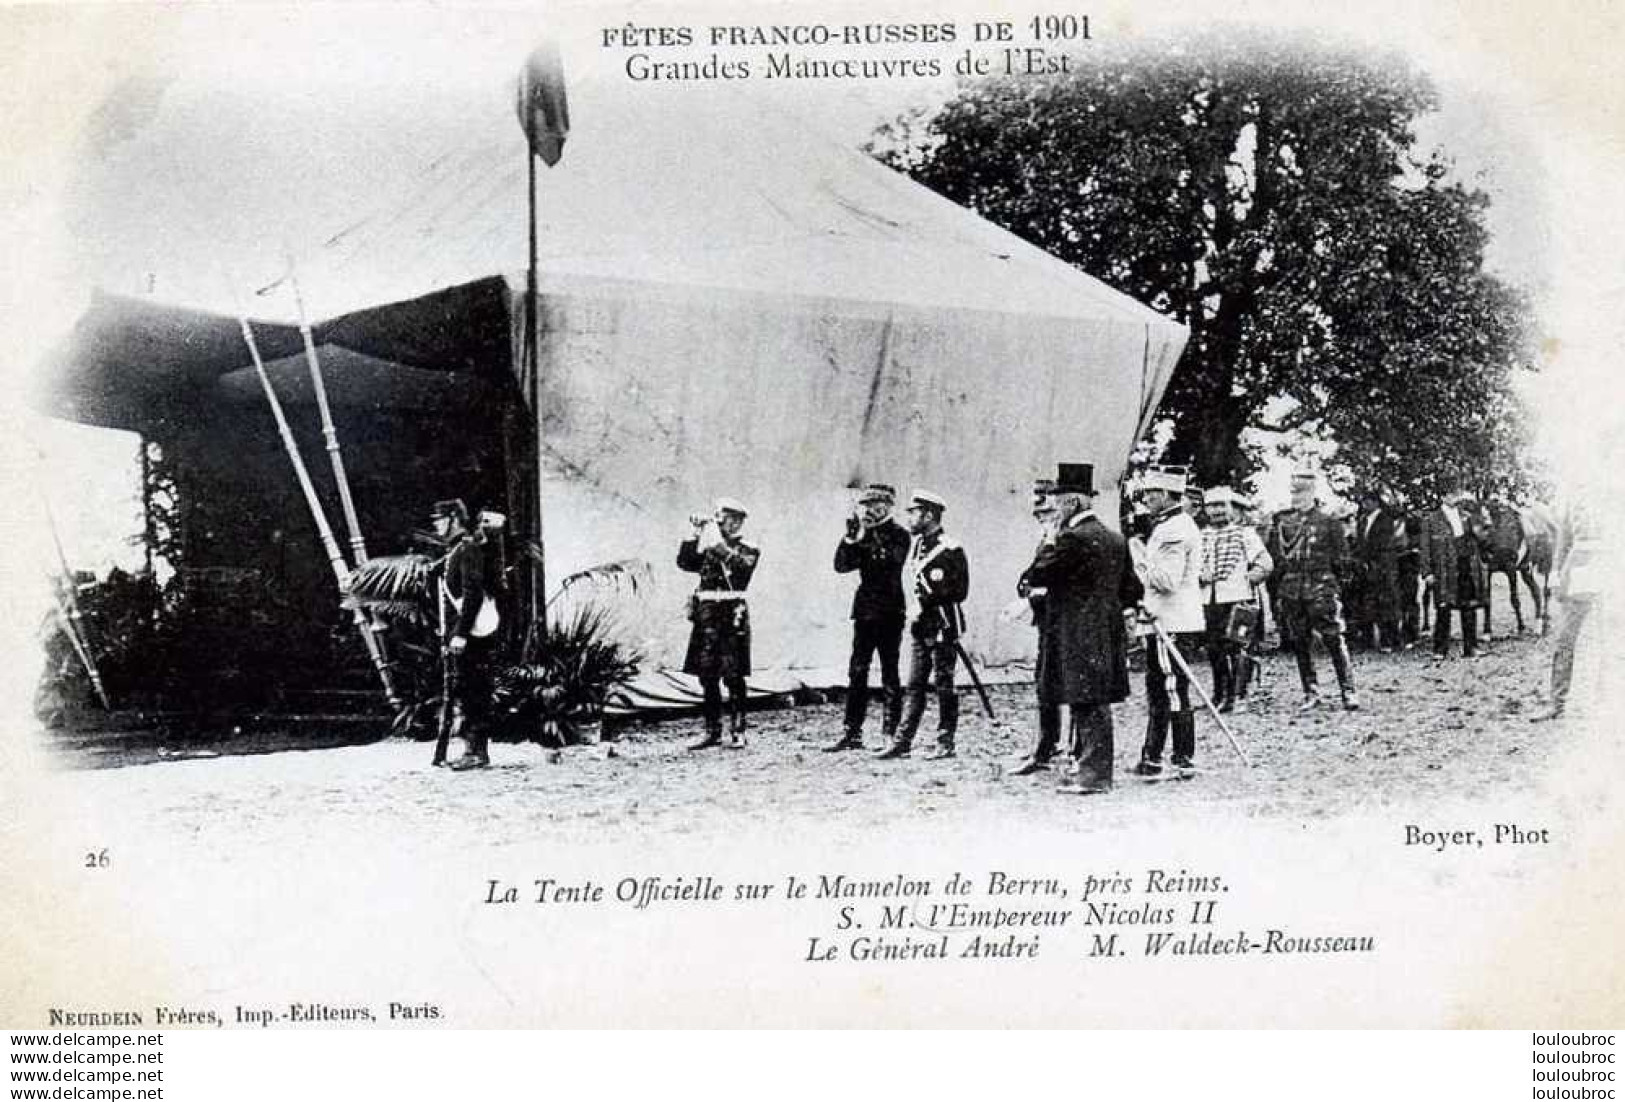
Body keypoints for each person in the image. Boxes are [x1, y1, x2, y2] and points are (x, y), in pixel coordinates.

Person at [1015, 463, 1142, 793]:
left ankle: (1094, 775)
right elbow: (1133, 589)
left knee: (1086, 701)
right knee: (1094, 700)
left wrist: (1049, 540)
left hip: (1075, 633)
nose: (1054, 508)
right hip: (1105, 631)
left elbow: (1037, 575)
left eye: (1058, 501)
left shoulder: (1072, 539)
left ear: (1072, 503)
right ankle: (1091, 768)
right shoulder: (1115, 539)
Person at [877, 490, 969, 761]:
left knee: (944, 683)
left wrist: (929, 604)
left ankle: (945, 741)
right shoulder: (917, 546)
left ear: (929, 515)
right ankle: (903, 741)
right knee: (914, 684)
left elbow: (959, 591)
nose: (909, 518)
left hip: (942, 624)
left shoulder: (951, 548)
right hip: (921, 625)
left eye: (913, 512)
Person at [1130, 465, 1205, 777]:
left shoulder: (1174, 529)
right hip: (1168, 620)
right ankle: (1154, 756)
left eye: (1151, 493)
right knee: (1162, 690)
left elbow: (1166, 580)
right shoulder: (1172, 524)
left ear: (1165, 495)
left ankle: (1178, 757)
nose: (1146, 498)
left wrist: (1137, 554)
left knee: (1170, 690)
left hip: (1169, 622)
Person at [826, 483, 911, 752]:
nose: (869, 510)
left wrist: (866, 535)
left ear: (886, 506)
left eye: (874, 505)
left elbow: (889, 562)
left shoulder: (900, 535)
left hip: (890, 611)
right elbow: (841, 566)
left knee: (889, 672)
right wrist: (850, 537)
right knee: (857, 671)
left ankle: (891, 733)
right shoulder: (864, 533)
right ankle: (852, 732)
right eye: (866, 505)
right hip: (864, 611)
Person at [1266, 465, 1359, 710]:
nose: (1297, 497)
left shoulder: (1329, 523)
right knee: (1300, 642)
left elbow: (1343, 560)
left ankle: (1348, 690)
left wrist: (1335, 586)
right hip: (1292, 589)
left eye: (1302, 492)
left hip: (1321, 588)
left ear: (1313, 493)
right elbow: (1277, 560)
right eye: (1294, 492)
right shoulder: (1284, 523)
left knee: (1334, 640)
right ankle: (1311, 692)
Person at [678, 498, 760, 749]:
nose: (731, 523)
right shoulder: (709, 544)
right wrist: (695, 534)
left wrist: (715, 540)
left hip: (731, 613)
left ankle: (739, 731)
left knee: (733, 675)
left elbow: (739, 568)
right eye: (726, 518)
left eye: (735, 519)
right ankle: (712, 731)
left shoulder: (748, 547)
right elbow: (686, 563)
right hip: (707, 614)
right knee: (706, 675)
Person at [431, 498, 499, 770]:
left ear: (452, 519)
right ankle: (473, 750)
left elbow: (473, 595)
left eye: (438, 519)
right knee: (469, 688)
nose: (435, 525)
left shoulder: (467, 548)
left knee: (475, 690)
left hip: (473, 633)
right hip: (467, 631)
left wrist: (460, 633)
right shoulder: (457, 550)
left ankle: (477, 752)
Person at [1199, 486, 1272, 713]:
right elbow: (1191, 565)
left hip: (1237, 599)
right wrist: (1198, 575)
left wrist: (1248, 579)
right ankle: (1221, 693)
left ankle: (1239, 695)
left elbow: (1265, 563)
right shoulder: (1200, 535)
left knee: (1238, 647)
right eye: (1212, 506)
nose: (1217, 511)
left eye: (1222, 505)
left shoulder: (1245, 534)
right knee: (1214, 649)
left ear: (1231, 508)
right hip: (1208, 600)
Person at [1532, 497, 1601, 721]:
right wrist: (1555, 571)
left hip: (1613, 567)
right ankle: (1557, 703)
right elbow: (1563, 538)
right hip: (1580, 569)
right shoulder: (1574, 496)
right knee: (1565, 639)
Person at [1012, 478, 1062, 773]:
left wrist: (1034, 591)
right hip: (1047, 619)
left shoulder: (1062, 537)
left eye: (1045, 508)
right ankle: (1047, 744)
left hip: (1059, 619)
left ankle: (1050, 748)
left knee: (1053, 683)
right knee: (1045, 683)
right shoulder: (1047, 536)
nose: (1041, 517)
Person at [1418, 485, 1490, 659]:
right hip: (1443, 569)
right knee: (1443, 608)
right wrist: (1427, 572)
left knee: (1468, 607)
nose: (1454, 497)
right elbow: (1425, 548)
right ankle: (1440, 649)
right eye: (1450, 494)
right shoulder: (1431, 520)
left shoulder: (1466, 517)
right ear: (1442, 497)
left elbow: (1480, 539)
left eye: (1456, 494)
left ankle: (1470, 647)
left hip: (1465, 566)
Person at [1352, 489, 1407, 652]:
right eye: (1363, 501)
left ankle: (1392, 640)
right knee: (1370, 602)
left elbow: (1383, 544)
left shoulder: (1385, 520)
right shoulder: (1363, 521)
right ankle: (1372, 639)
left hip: (1384, 566)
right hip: (1368, 566)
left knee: (1388, 603)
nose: (1365, 504)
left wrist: (1372, 560)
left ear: (1376, 502)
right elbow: (1361, 543)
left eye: (1368, 501)